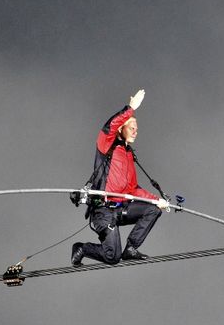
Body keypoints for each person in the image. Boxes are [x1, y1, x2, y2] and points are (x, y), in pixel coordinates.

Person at [71, 89, 170, 267]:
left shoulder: (128, 154)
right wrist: (130, 108)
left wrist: (157, 200)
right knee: (112, 257)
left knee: (153, 210)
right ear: (121, 128)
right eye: (131, 128)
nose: (135, 131)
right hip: (103, 211)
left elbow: (133, 189)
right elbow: (109, 126)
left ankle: (131, 248)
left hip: (121, 209)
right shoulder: (106, 145)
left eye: (137, 129)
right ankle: (82, 249)